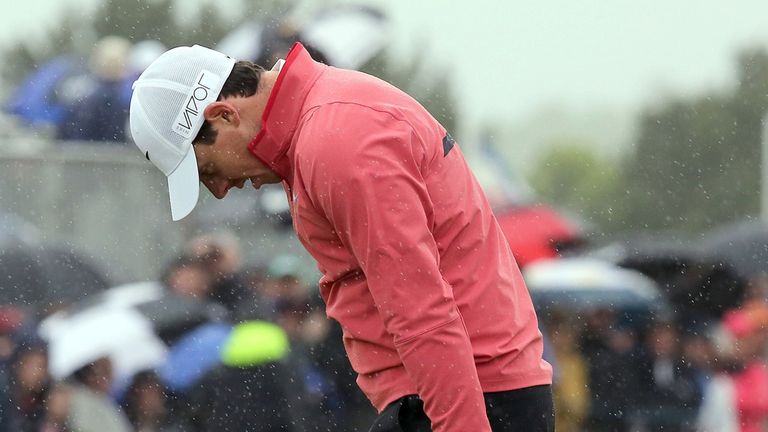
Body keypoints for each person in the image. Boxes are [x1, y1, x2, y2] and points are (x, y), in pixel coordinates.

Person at [128, 42, 553, 431]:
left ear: (223, 114)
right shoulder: (322, 123)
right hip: (458, 393)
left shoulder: (334, 142)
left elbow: (421, 309)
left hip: (467, 400)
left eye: (206, 170)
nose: (219, 189)